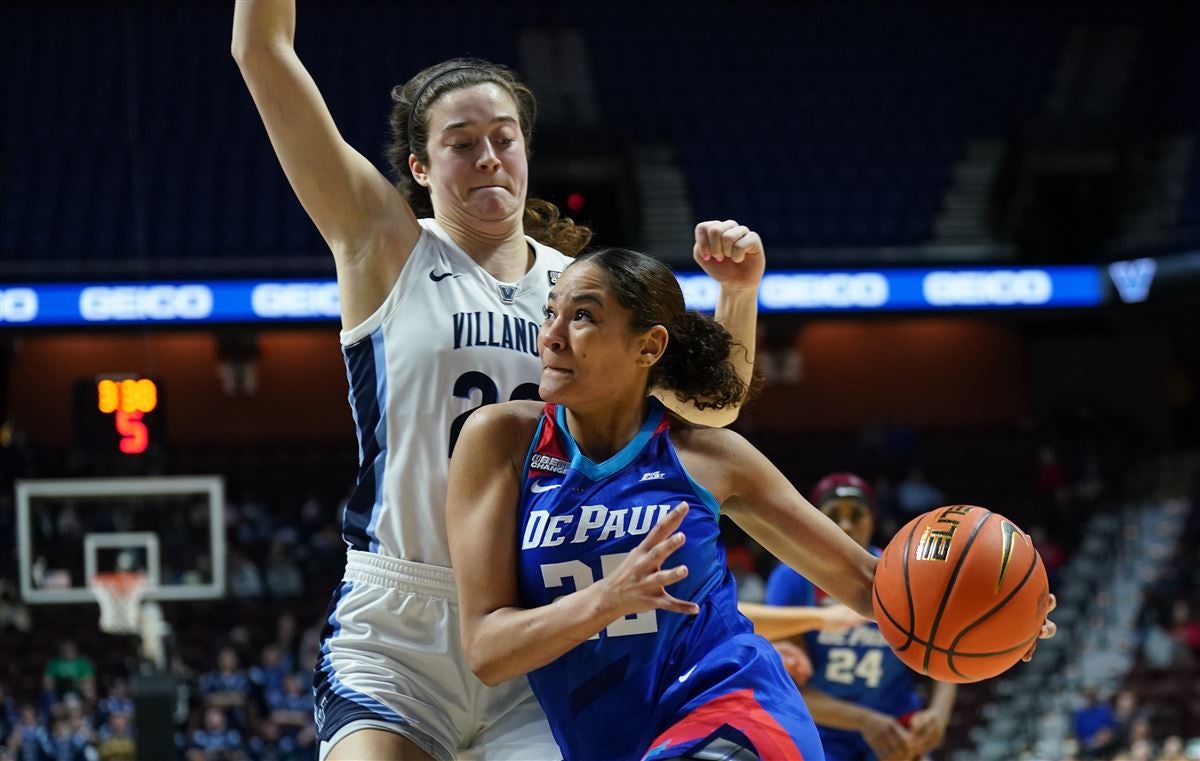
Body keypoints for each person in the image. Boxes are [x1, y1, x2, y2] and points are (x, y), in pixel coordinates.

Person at [232, 5, 763, 759]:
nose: (488, 157)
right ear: (420, 167)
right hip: (399, 627)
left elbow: (711, 404)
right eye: (461, 144)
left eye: (502, 139)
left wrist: (738, 292)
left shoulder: (586, 288)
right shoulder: (384, 245)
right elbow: (259, 49)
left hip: (539, 624)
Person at [447, 249, 1055, 760]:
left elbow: (874, 585)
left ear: (648, 347)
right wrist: (605, 600)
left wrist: (1002, 616)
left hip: (735, 709)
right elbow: (488, 651)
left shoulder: (710, 457)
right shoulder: (501, 439)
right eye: (552, 311)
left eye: (582, 317)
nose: (550, 333)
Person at [765, 472, 957, 761]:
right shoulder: (791, 579)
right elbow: (790, 686)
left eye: (857, 514)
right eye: (833, 515)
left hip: (896, 725)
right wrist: (864, 720)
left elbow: (946, 649)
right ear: (815, 521)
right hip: (822, 729)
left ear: (872, 520)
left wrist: (938, 715)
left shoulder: (903, 573)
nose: (845, 525)